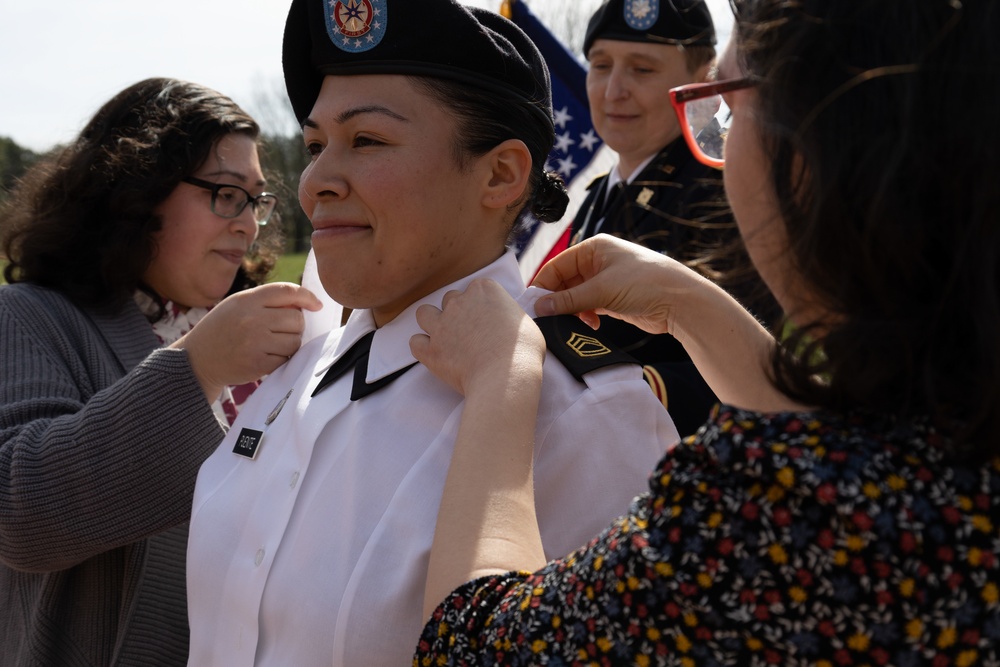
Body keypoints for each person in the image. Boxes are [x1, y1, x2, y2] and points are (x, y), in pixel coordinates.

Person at [411, 0, 1000, 663]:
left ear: (811, 149)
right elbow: (854, 434)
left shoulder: (771, 508)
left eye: (726, 108)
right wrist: (694, 309)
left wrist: (500, 378)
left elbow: (474, 645)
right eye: (600, 66)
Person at [184, 1, 679, 665]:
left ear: (501, 174)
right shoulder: (297, 356)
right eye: (315, 145)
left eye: (367, 141)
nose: (315, 183)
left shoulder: (587, 413)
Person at [0, 77, 321, 666]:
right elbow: (21, 515)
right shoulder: (32, 315)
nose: (249, 224)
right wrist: (197, 367)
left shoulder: (272, 342)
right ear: (136, 194)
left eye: (257, 200)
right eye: (226, 194)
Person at [558, 0, 779, 437]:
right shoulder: (599, 194)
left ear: (703, 82)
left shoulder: (725, 196)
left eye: (642, 70)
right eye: (601, 66)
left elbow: (749, 363)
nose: (613, 89)